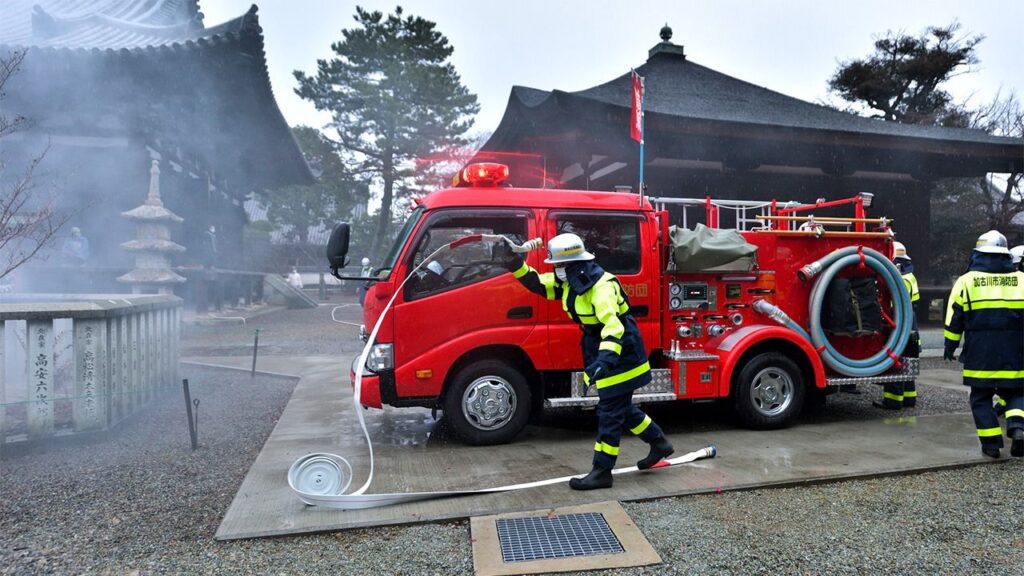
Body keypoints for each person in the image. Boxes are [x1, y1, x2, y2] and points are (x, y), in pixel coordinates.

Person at [497, 233, 673, 490]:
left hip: (621, 353)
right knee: (621, 408)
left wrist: (606, 359)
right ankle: (659, 443)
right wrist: (515, 264)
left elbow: (613, 327)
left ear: (570, 263)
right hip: (604, 349)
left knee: (609, 413)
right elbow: (539, 284)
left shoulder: (600, 287)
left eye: (557, 265)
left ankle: (602, 470)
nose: (554, 270)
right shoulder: (574, 280)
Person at [943, 230, 1024, 458]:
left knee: (981, 397)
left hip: (980, 351)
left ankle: (991, 445)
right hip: (1015, 350)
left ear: (978, 254)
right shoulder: (1021, 280)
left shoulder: (966, 281)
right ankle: (1017, 428)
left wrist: (950, 345)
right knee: (1017, 392)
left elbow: (954, 317)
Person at [874, 241, 920, 410]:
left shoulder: (898, 279)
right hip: (911, 327)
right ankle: (909, 399)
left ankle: (893, 401)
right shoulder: (910, 276)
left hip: (899, 328)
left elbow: (893, 306)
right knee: (908, 365)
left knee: (895, 363)